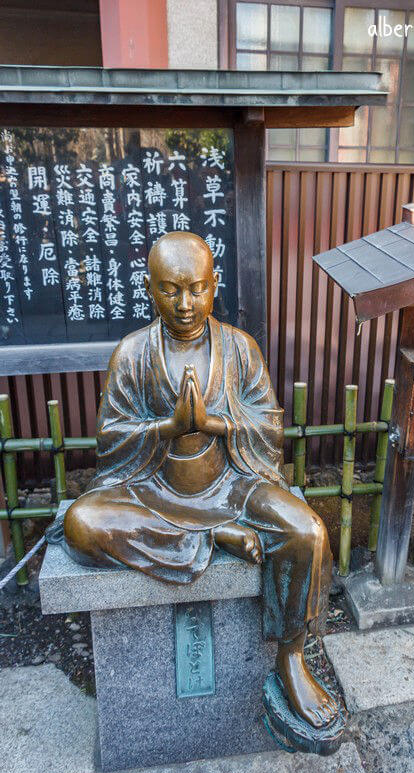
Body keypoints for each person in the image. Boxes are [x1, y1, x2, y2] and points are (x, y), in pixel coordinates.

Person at [59, 231, 337, 729]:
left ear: (214, 286)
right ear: (149, 288)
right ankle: (210, 538)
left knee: (308, 533)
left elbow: (269, 425)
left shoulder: (239, 348)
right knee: (80, 523)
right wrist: (166, 429)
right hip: (153, 489)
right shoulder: (133, 353)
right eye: (169, 290)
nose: (185, 304)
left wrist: (214, 424)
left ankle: (292, 657)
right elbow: (112, 437)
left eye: (196, 289)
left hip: (232, 483)